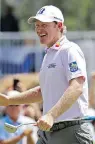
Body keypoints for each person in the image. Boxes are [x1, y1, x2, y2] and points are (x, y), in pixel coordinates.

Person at [0, 5, 93, 144]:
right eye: (37, 25)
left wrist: (50, 115)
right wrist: (9, 101)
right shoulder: (49, 55)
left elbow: (77, 87)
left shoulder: (70, 50)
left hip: (71, 131)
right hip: (49, 132)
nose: (38, 29)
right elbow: (43, 91)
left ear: (59, 25)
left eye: (44, 25)